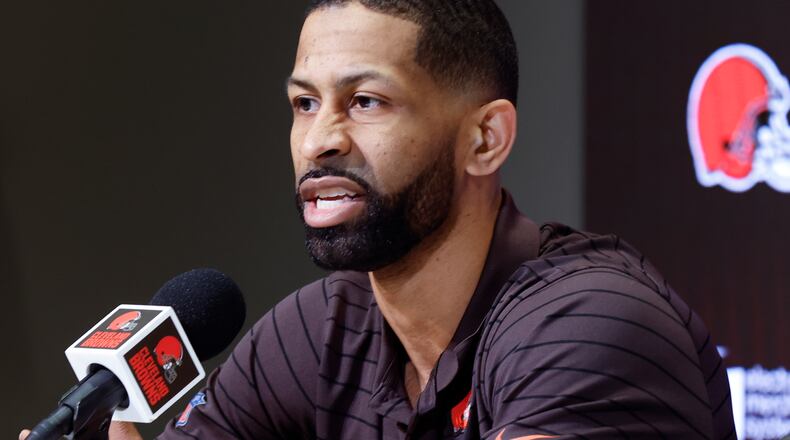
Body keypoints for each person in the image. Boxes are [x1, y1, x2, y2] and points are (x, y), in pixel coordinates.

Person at [21, 0, 736, 439]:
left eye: (366, 102)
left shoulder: (591, 322)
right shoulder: (318, 333)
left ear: (484, 139)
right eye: (304, 103)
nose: (319, 140)